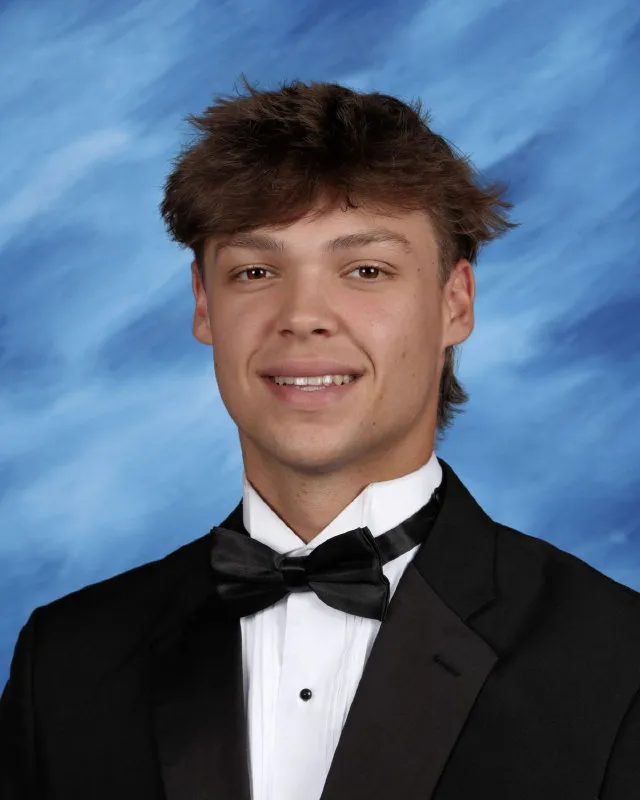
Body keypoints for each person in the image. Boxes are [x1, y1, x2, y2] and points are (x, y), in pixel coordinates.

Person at [1, 75, 638, 800]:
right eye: (257, 270)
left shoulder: (619, 660)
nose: (303, 315)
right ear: (203, 304)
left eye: (365, 269)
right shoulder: (68, 660)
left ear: (455, 303)